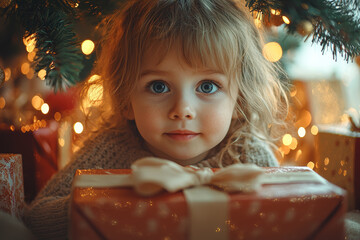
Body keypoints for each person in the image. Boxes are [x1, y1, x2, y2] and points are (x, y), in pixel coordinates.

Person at [23, 0, 289, 239]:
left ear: (239, 101)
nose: (182, 110)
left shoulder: (248, 157)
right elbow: (36, 220)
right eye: (159, 86)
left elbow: (287, 219)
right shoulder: (111, 149)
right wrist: (113, 200)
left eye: (207, 86)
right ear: (126, 100)